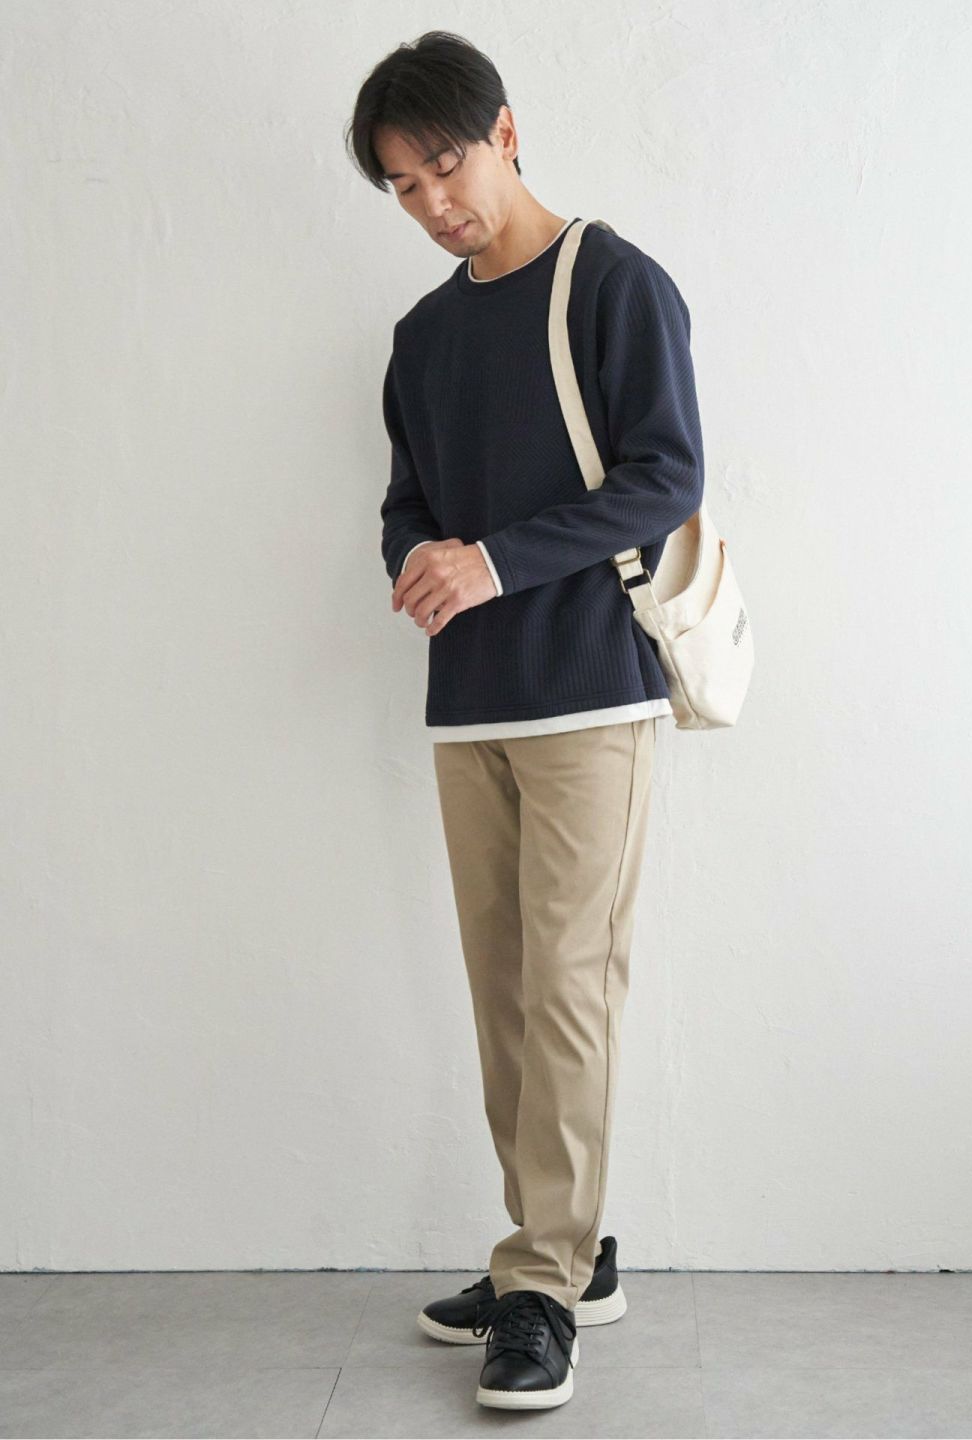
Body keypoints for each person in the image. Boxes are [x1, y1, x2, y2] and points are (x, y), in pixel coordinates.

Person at [347, 29, 705, 1412]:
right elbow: (406, 503)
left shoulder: (612, 283)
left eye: (445, 164)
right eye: (403, 186)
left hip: (592, 692)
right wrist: (420, 562)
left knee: (567, 983)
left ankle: (542, 1280)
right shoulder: (423, 337)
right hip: (469, 706)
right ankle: (561, 1250)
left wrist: (492, 563)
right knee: (505, 989)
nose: (433, 202)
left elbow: (664, 478)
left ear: (505, 131)